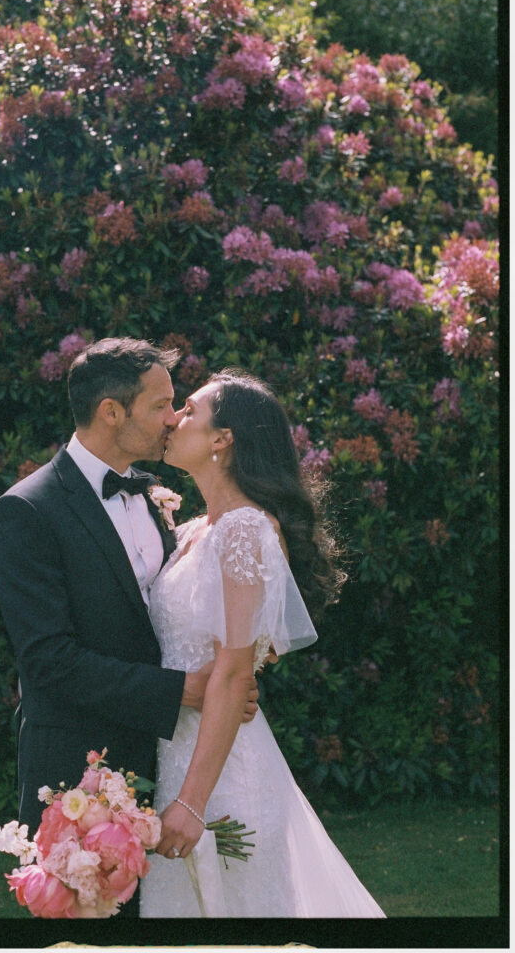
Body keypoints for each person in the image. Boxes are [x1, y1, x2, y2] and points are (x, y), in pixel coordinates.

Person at [0, 338, 259, 917]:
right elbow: (49, 663)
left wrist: (235, 673)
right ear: (113, 412)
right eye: (162, 404)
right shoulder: (27, 511)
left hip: (165, 758)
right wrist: (183, 689)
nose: (174, 416)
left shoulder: (156, 499)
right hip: (75, 774)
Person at [139, 369, 386, 918]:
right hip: (173, 757)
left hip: (222, 779)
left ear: (223, 439)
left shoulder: (246, 530)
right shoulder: (194, 531)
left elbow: (234, 673)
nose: (174, 418)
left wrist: (192, 802)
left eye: (190, 411)